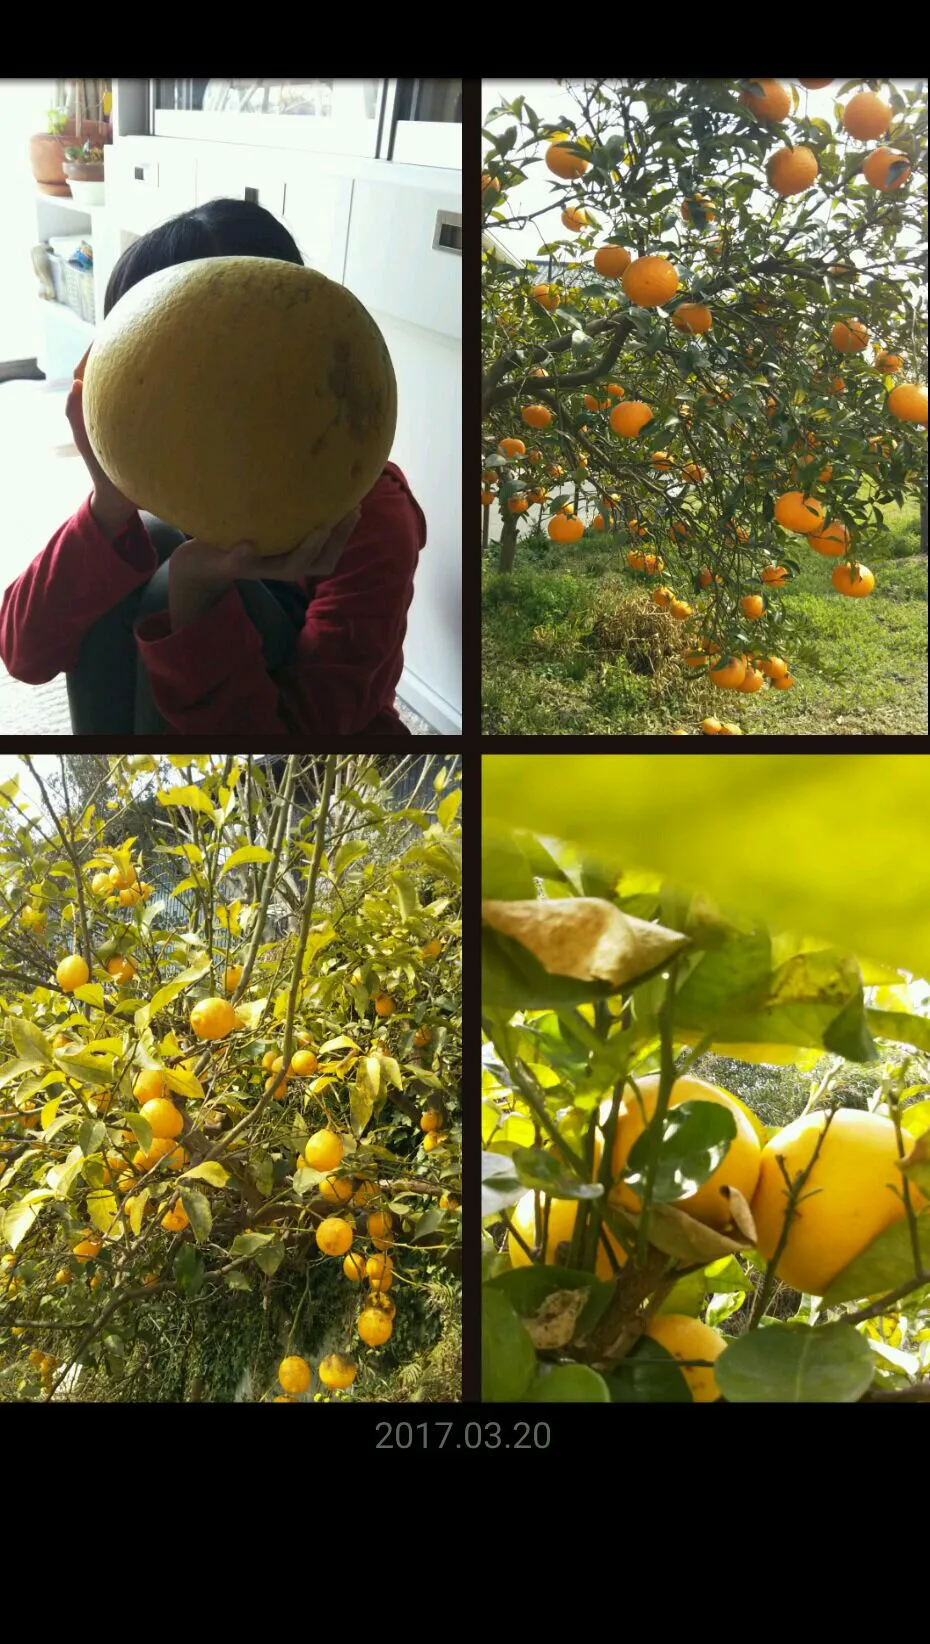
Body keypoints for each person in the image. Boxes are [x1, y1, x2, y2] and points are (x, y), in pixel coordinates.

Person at [0, 198, 426, 734]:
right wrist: (106, 508)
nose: (200, 401)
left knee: (161, 570)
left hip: (291, 789)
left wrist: (196, 590)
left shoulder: (368, 510)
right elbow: (24, 653)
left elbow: (299, 740)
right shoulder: (152, 466)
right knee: (144, 542)